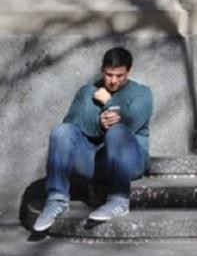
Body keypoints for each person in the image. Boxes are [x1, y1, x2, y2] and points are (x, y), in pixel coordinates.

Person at [33, 47, 153, 231]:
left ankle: (119, 200)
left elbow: (130, 122)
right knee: (61, 132)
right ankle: (57, 200)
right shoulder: (86, 92)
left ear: (129, 71)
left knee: (117, 132)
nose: (113, 81)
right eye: (109, 74)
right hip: (95, 161)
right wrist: (99, 123)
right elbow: (71, 123)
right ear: (101, 69)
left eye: (119, 76)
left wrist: (108, 101)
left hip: (130, 162)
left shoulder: (142, 93)